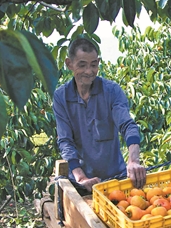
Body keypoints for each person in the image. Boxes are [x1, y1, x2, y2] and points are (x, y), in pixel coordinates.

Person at [53, 38, 146, 193]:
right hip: (80, 181)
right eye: (82, 65)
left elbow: (127, 125)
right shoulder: (61, 97)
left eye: (93, 65)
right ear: (69, 64)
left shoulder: (112, 91)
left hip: (115, 178)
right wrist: (81, 177)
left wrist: (133, 160)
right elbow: (65, 141)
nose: (89, 71)